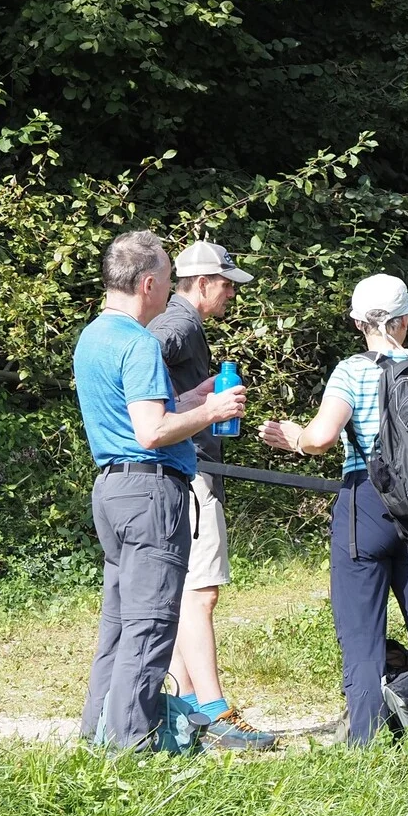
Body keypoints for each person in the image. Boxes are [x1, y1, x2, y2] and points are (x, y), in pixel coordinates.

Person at [258, 274, 408, 744]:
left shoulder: (351, 370)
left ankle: (365, 744)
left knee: (362, 631)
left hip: (366, 503)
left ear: (356, 322)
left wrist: (296, 437)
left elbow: (323, 437)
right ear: (405, 320)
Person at [75, 231, 247, 750]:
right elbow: (151, 432)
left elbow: (132, 413)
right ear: (148, 283)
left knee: (119, 625)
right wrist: (211, 410)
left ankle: (97, 733)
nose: (172, 290)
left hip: (111, 489)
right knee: (151, 626)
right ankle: (133, 747)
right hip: (151, 493)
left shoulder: (94, 337)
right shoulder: (139, 343)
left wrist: (183, 396)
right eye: (169, 280)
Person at [145, 240, 274, 750]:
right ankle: (217, 713)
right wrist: (175, 409)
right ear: (201, 284)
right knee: (202, 593)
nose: (230, 296)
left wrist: (185, 400)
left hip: (185, 470)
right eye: (226, 286)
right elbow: (138, 360)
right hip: (193, 473)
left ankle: (188, 705)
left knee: (184, 596)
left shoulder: (182, 322)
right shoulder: (179, 324)